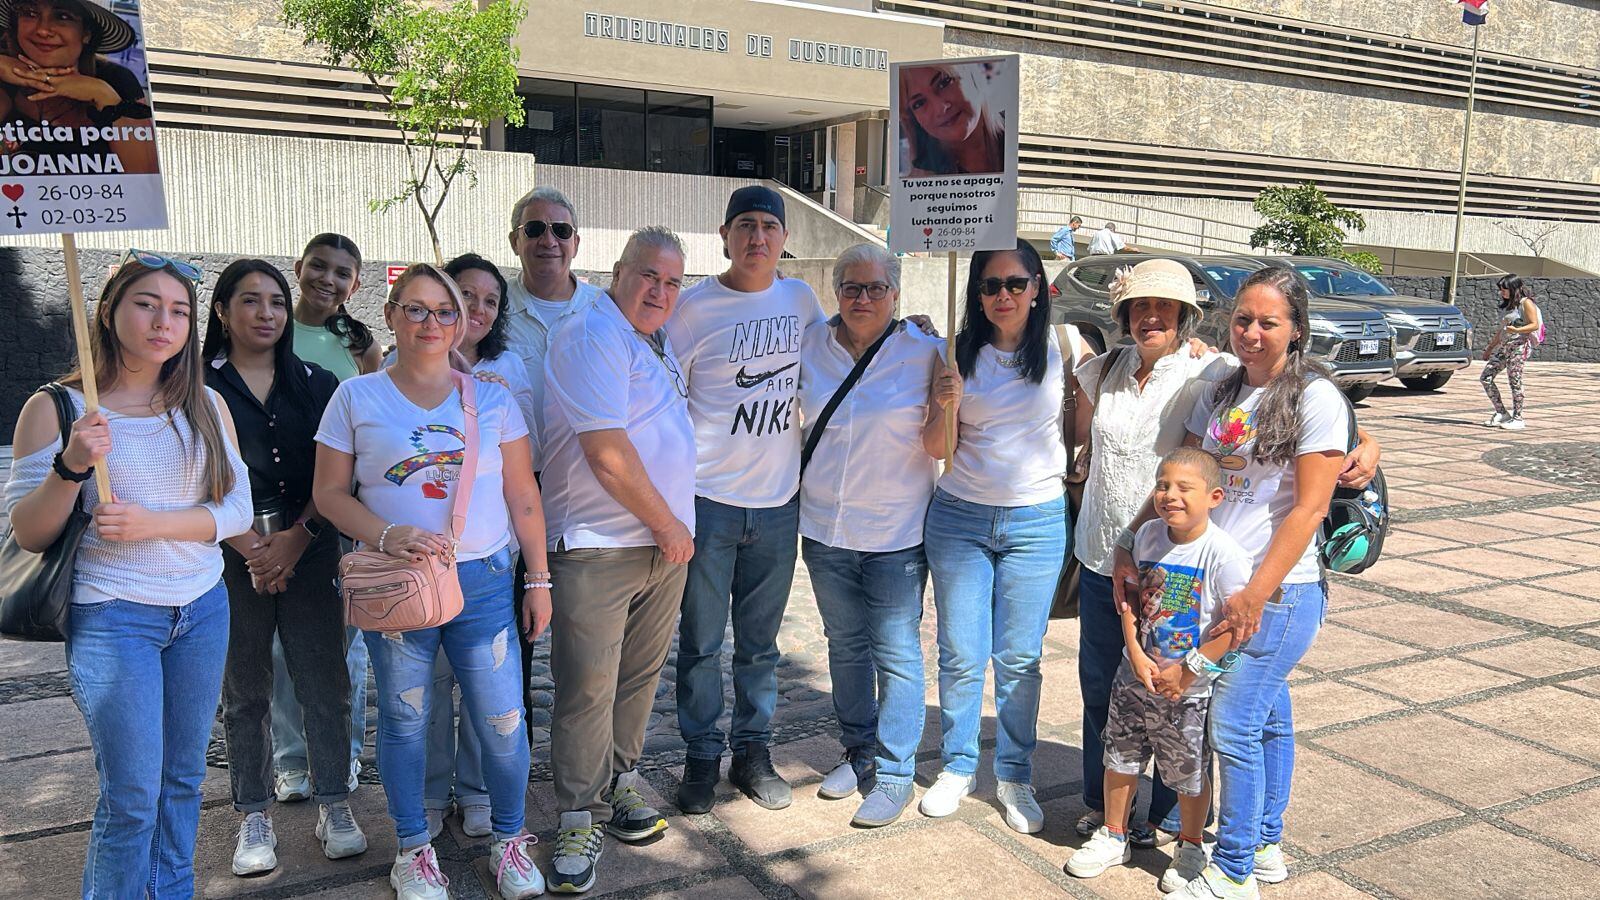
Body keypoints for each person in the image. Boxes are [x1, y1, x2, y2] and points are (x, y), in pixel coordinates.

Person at [5, 251, 251, 897]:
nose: (163, 321)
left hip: (201, 608)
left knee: (184, 783)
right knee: (134, 795)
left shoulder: (204, 405)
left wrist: (156, 524)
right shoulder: (56, 408)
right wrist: (71, 465)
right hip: (113, 616)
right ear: (111, 310)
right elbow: (29, 532)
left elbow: (237, 510)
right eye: (146, 304)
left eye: (178, 310)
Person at [312, 264, 550, 900]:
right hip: (398, 581)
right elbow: (329, 494)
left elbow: (522, 493)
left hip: (485, 580)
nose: (431, 323)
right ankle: (414, 847)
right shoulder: (356, 398)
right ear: (389, 314)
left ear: (463, 322)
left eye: (444, 312)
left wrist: (540, 579)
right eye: (415, 310)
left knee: (501, 719)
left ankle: (508, 837)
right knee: (403, 717)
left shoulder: (492, 400)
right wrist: (387, 535)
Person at [1112, 267, 1350, 900]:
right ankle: (1267, 843)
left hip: (1279, 590)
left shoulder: (1316, 399)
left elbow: (1308, 509)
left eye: (1268, 322)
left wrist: (1254, 595)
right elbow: (1181, 472)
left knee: (1234, 723)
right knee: (1269, 717)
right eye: (1243, 318)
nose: (1251, 332)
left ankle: (1236, 865)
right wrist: (1129, 543)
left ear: (1296, 330)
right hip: (1222, 585)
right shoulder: (1219, 389)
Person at [540, 226, 698, 893]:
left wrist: (670, 534)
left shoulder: (645, 342)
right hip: (600, 547)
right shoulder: (589, 335)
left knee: (638, 680)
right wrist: (669, 525)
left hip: (660, 549)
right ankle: (578, 813)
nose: (659, 291)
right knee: (586, 689)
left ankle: (621, 780)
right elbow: (607, 453)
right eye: (648, 276)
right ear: (617, 272)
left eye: (671, 282)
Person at [919, 238, 1096, 833]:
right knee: (962, 655)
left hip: (1036, 520)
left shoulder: (1067, 346)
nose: (1003, 296)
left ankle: (1015, 775)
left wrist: (1198, 349)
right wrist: (944, 403)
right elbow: (937, 450)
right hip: (960, 517)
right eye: (990, 285)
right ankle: (959, 765)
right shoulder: (952, 352)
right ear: (975, 292)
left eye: (1015, 283)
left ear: (1038, 287)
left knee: (1020, 658)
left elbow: (1119, 395)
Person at [202, 259, 366, 876]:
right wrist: (250, 546)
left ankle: (335, 802)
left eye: (275, 301)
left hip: (311, 544)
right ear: (222, 311)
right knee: (245, 690)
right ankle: (253, 811)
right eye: (250, 301)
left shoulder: (318, 382)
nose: (266, 313)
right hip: (227, 552)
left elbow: (338, 474)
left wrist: (297, 540)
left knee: (325, 684)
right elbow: (193, 478)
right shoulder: (192, 385)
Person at [667, 185, 826, 814]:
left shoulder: (801, 299)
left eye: (769, 226)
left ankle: (752, 752)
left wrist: (911, 331)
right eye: (745, 226)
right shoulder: (694, 308)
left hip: (778, 501)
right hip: (709, 500)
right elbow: (663, 395)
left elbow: (839, 357)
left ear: (785, 237)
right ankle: (701, 754)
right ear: (724, 235)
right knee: (701, 641)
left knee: (760, 644)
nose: (758, 237)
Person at [1071, 259, 1232, 846]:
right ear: (1124, 316)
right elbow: (1076, 433)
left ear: (1187, 316)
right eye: (1141, 306)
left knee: (1170, 687)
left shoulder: (1209, 370)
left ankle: (1167, 811)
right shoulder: (1105, 370)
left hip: (1169, 562)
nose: (1152, 317)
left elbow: (1283, 379)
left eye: (1165, 307)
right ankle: (1106, 804)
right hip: (1099, 555)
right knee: (1100, 684)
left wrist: (1361, 439)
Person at [383, 253, 535, 841]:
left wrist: (537, 574)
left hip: (485, 560)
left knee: (491, 699)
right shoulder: (374, 387)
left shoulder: (500, 380)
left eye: (486, 301)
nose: (471, 310)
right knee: (416, 702)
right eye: (458, 298)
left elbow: (523, 473)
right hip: (410, 575)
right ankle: (422, 803)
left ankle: (482, 797)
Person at [799, 243, 944, 827]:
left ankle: (894, 772)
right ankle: (857, 752)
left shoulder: (929, 352)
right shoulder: (810, 346)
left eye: (876, 288)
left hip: (896, 533)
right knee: (845, 647)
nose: (863, 299)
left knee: (899, 654)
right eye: (852, 288)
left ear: (896, 295)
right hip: (825, 528)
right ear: (836, 293)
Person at [1066, 449, 1250, 892]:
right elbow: (1128, 598)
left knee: (1188, 769)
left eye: (1185, 488)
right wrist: (1133, 648)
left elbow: (1235, 628)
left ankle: (1189, 844)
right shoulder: (1147, 535)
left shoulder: (1223, 554)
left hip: (1188, 690)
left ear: (1215, 496)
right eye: (1163, 485)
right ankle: (1114, 834)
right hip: (1134, 676)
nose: (1170, 495)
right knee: (1120, 755)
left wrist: (1188, 671)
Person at [272, 231, 377, 805]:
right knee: (282, 645)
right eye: (318, 266)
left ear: (355, 284)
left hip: (339, 506)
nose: (327, 279)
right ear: (298, 267)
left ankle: (344, 753)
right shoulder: (271, 329)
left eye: (341, 272)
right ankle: (291, 760)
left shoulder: (360, 348)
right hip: (278, 505)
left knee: (345, 641)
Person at [0, 0, 158, 173]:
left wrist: (103, 95)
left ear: (87, 32)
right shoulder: (5, 82)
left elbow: (145, 179)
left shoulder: (116, 80)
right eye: (30, 13)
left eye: (63, 16)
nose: (43, 30)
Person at [898, 61, 1005, 177]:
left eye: (944, 83)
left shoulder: (1015, 141)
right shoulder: (917, 185)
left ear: (974, 77)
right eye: (919, 103)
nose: (941, 108)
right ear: (914, 119)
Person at [1481, 273, 1543, 431]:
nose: (1502, 292)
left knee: (1515, 381)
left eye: (1504, 289)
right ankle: (1501, 412)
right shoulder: (1509, 306)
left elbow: (1534, 325)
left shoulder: (1525, 303)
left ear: (1514, 288)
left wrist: (1517, 329)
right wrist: (1490, 348)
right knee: (1486, 377)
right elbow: (1501, 330)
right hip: (1504, 347)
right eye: (1501, 289)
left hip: (1518, 347)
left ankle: (1518, 417)